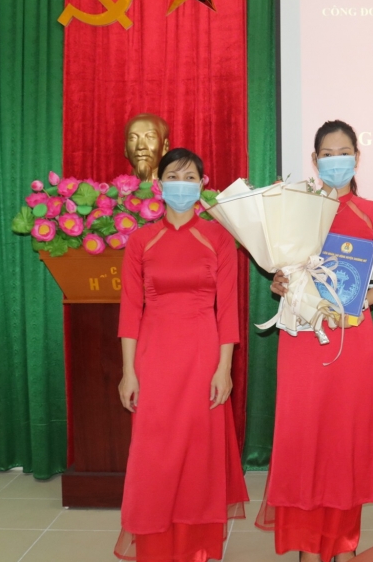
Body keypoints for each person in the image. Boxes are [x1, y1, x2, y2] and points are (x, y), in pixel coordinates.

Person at [256, 120, 373, 562]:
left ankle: (342, 543)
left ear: (357, 157)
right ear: (315, 160)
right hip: (302, 338)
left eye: (344, 153)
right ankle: (306, 545)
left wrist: (356, 304)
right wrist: (280, 283)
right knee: (303, 440)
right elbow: (282, 270)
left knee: (344, 441)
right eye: (327, 154)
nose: (336, 161)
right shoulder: (296, 209)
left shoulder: (372, 212)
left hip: (351, 340)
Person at [115, 148, 248, 562]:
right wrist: (128, 372)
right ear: (159, 183)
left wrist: (224, 369)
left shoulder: (218, 238)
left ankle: (196, 550)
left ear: (203, 185)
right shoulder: (141, 240)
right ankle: (155, 548)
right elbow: (130, 309)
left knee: (198, 455)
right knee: (153, 455)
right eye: (173, 176)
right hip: (154, 358)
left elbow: (228, 310)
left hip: (203, 357)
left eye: (190, 177)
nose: (182, 184)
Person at [125, 113, 171, 181]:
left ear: (165, 147)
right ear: (125, 148)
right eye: (133, 138)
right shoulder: (112, 187)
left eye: (150, 137)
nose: (140, 146)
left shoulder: (174, 187)